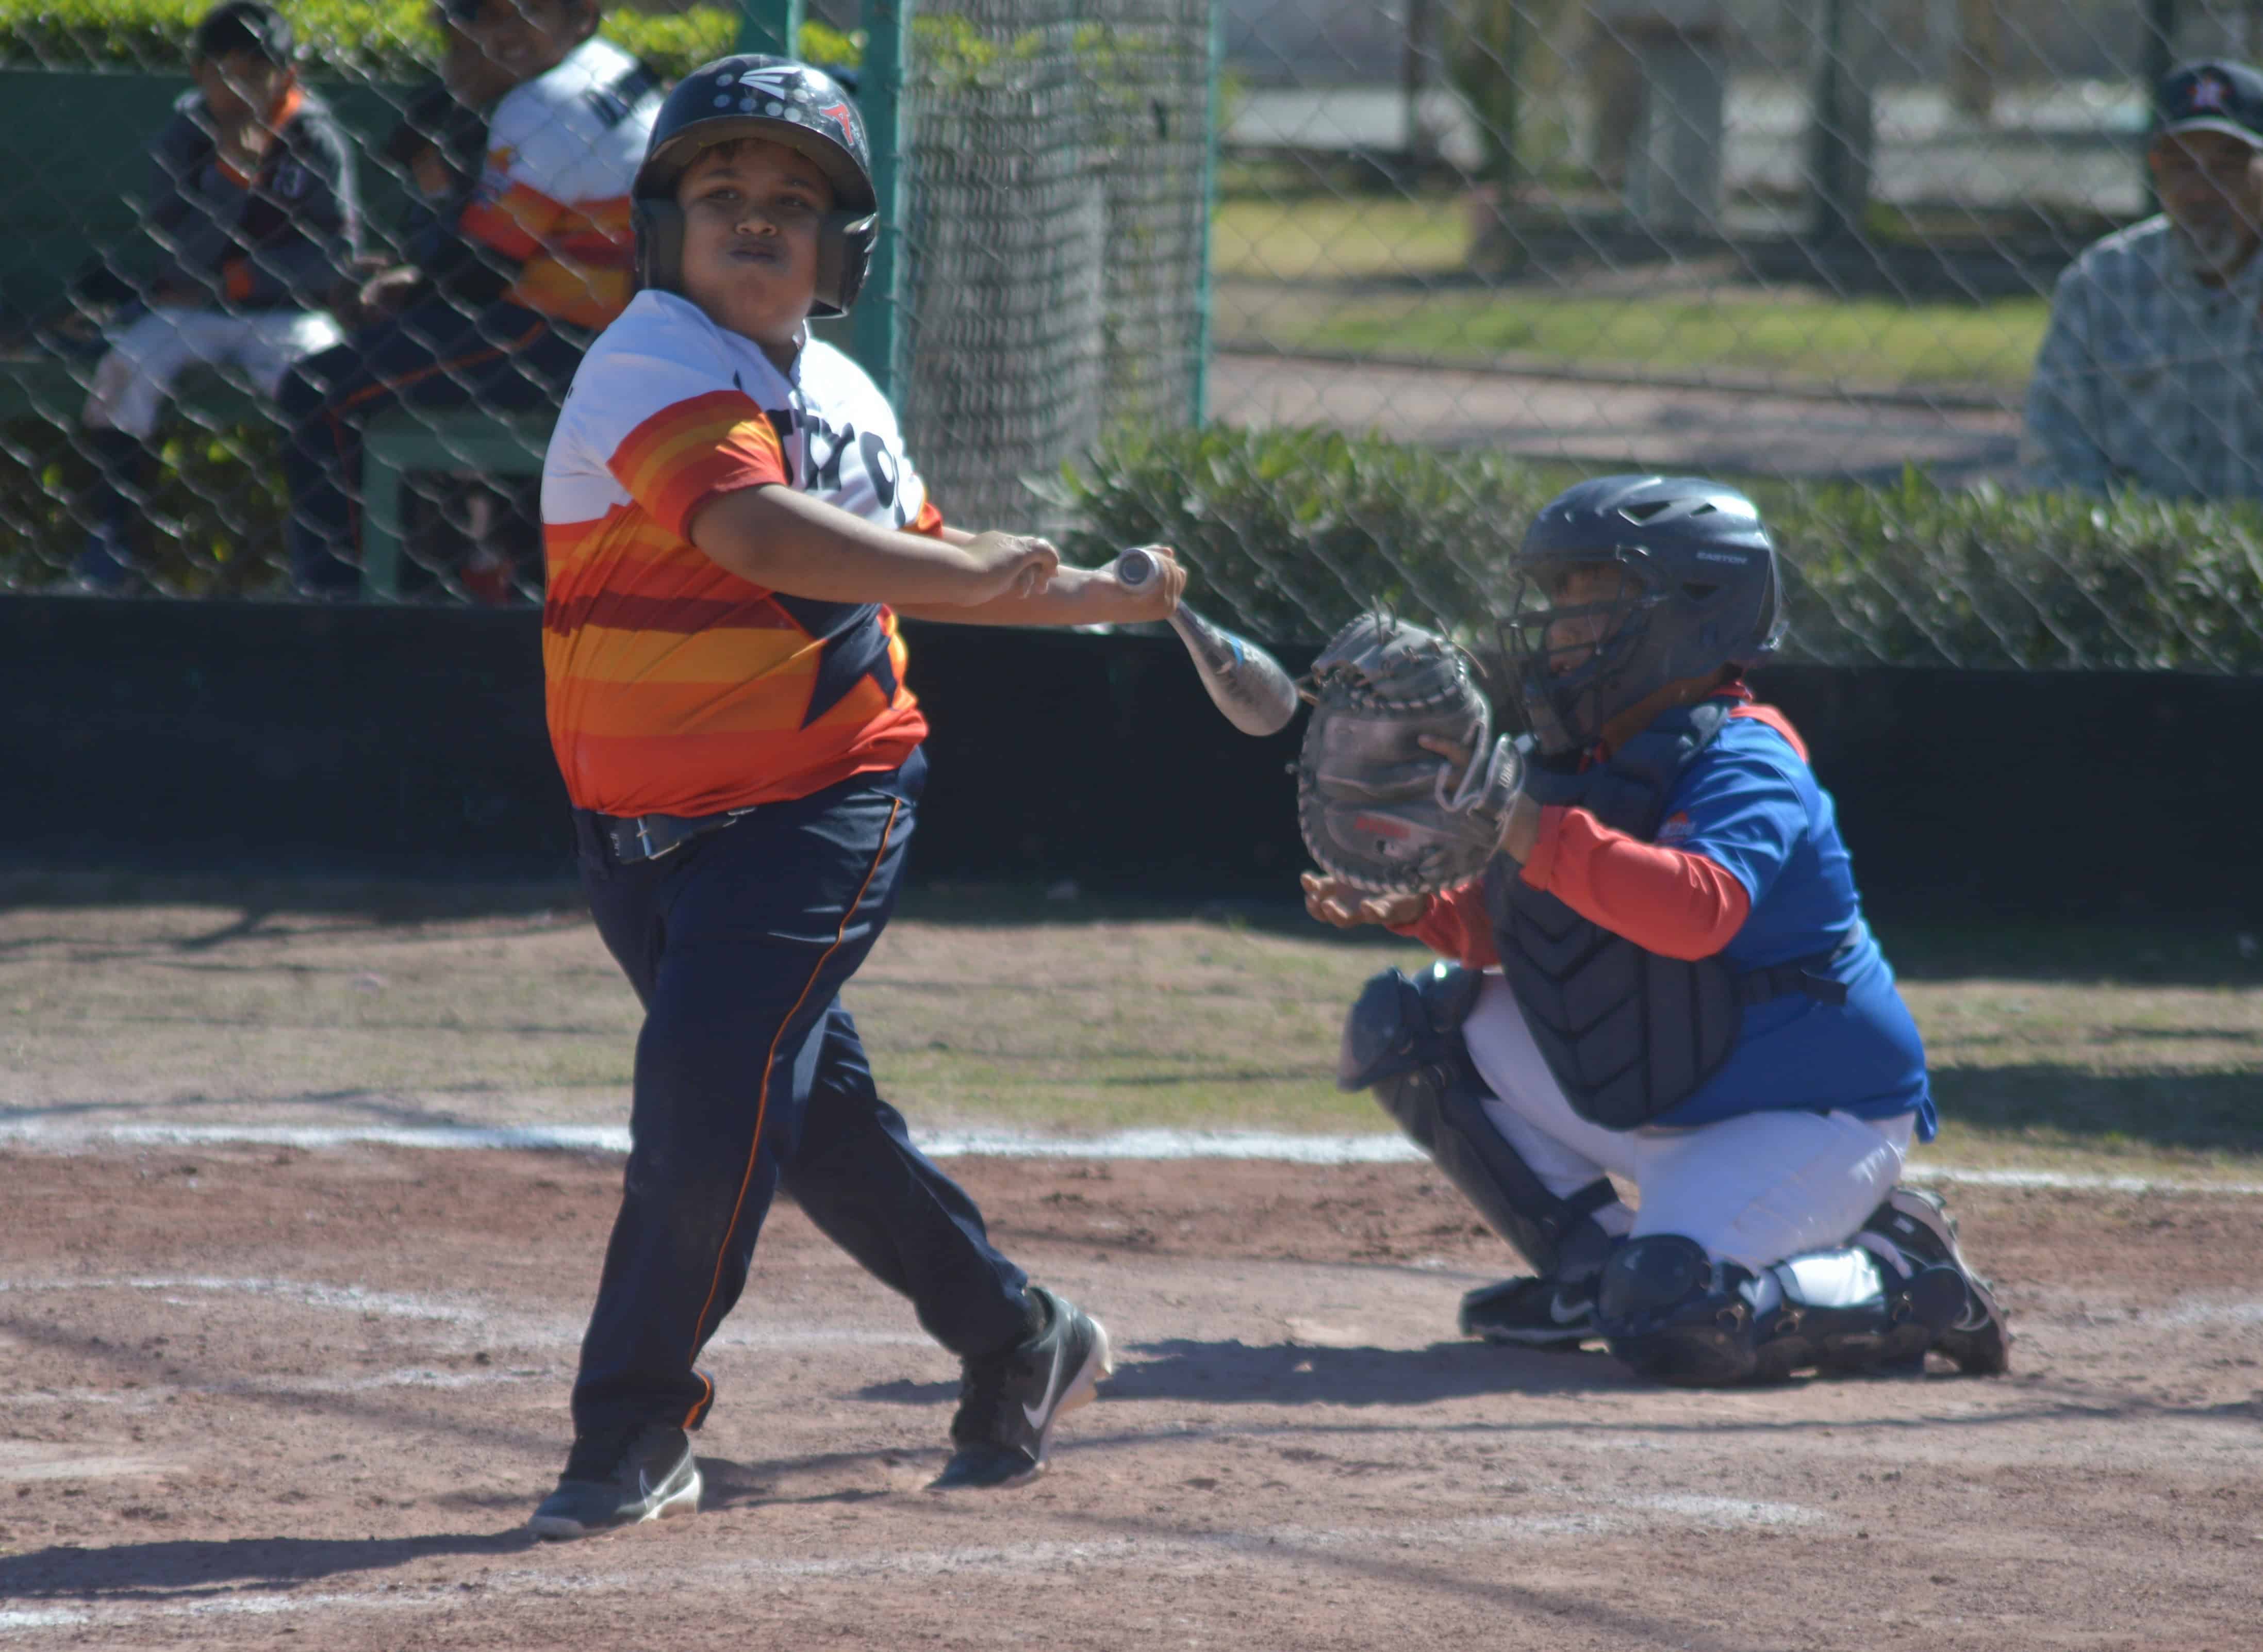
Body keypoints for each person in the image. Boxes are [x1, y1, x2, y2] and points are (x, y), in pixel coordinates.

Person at [529, 54, 1190, 1538]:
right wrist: (979, 567)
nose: (756, 220)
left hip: (825, 796)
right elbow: (761, 536)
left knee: (706, 1099)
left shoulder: (839, 393)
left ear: (843, 249)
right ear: (664, 225)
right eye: (721, 194)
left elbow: (929, 562)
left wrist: (1104, 594)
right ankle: (1020, 1334)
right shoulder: (652, 357)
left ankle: (634, 1424)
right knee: (806, 1113)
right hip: (636, 835)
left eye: (792, 202)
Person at [1303, 475, 2010, 1386]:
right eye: (1556, 600)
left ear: (1699, 614)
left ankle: (1902, 1272)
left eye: (1593, 599)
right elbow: (1521, 931)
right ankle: (1591, 1267)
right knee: (1415, 1023)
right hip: (1671, 1075)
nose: (1560, 628)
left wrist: (1515, 817)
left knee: (1678, 1315)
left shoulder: (1747, 757)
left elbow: (1692, 910)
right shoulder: (1578, 757)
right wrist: (1415, 907)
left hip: (1804, 1115)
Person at [277, 0, 662, 597]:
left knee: (316, 392)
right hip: (616, 330)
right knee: (394, 359)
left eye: (528, 10)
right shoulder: (611, 65)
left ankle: (346, 608)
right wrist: (417, 285)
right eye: (480, 12)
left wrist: (404, 292)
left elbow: (483, 271)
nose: (499, 31)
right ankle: (432, 590)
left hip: (561, 336)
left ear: (581, 16)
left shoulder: (541, 103)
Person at [68, 1, 360, 591]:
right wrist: (230, 178)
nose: (239, 88)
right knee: (127, 365)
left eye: (257, 71)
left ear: (289, 74)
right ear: (199, 73)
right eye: (223, 71)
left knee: (325, 385)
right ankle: (114, 541)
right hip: (191, 314)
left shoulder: (315, 136)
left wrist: (244, 280)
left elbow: (337, 258)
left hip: (289, 317)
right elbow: (178, 254)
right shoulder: (183, 136)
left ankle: (321, 560)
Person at [2022, 60, 2263, 499]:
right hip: (2130, 558)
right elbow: (2054, 454)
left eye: (2226, 166)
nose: (2199, 190)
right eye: (2180, 165)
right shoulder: (2100, 282)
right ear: (2154, 167)